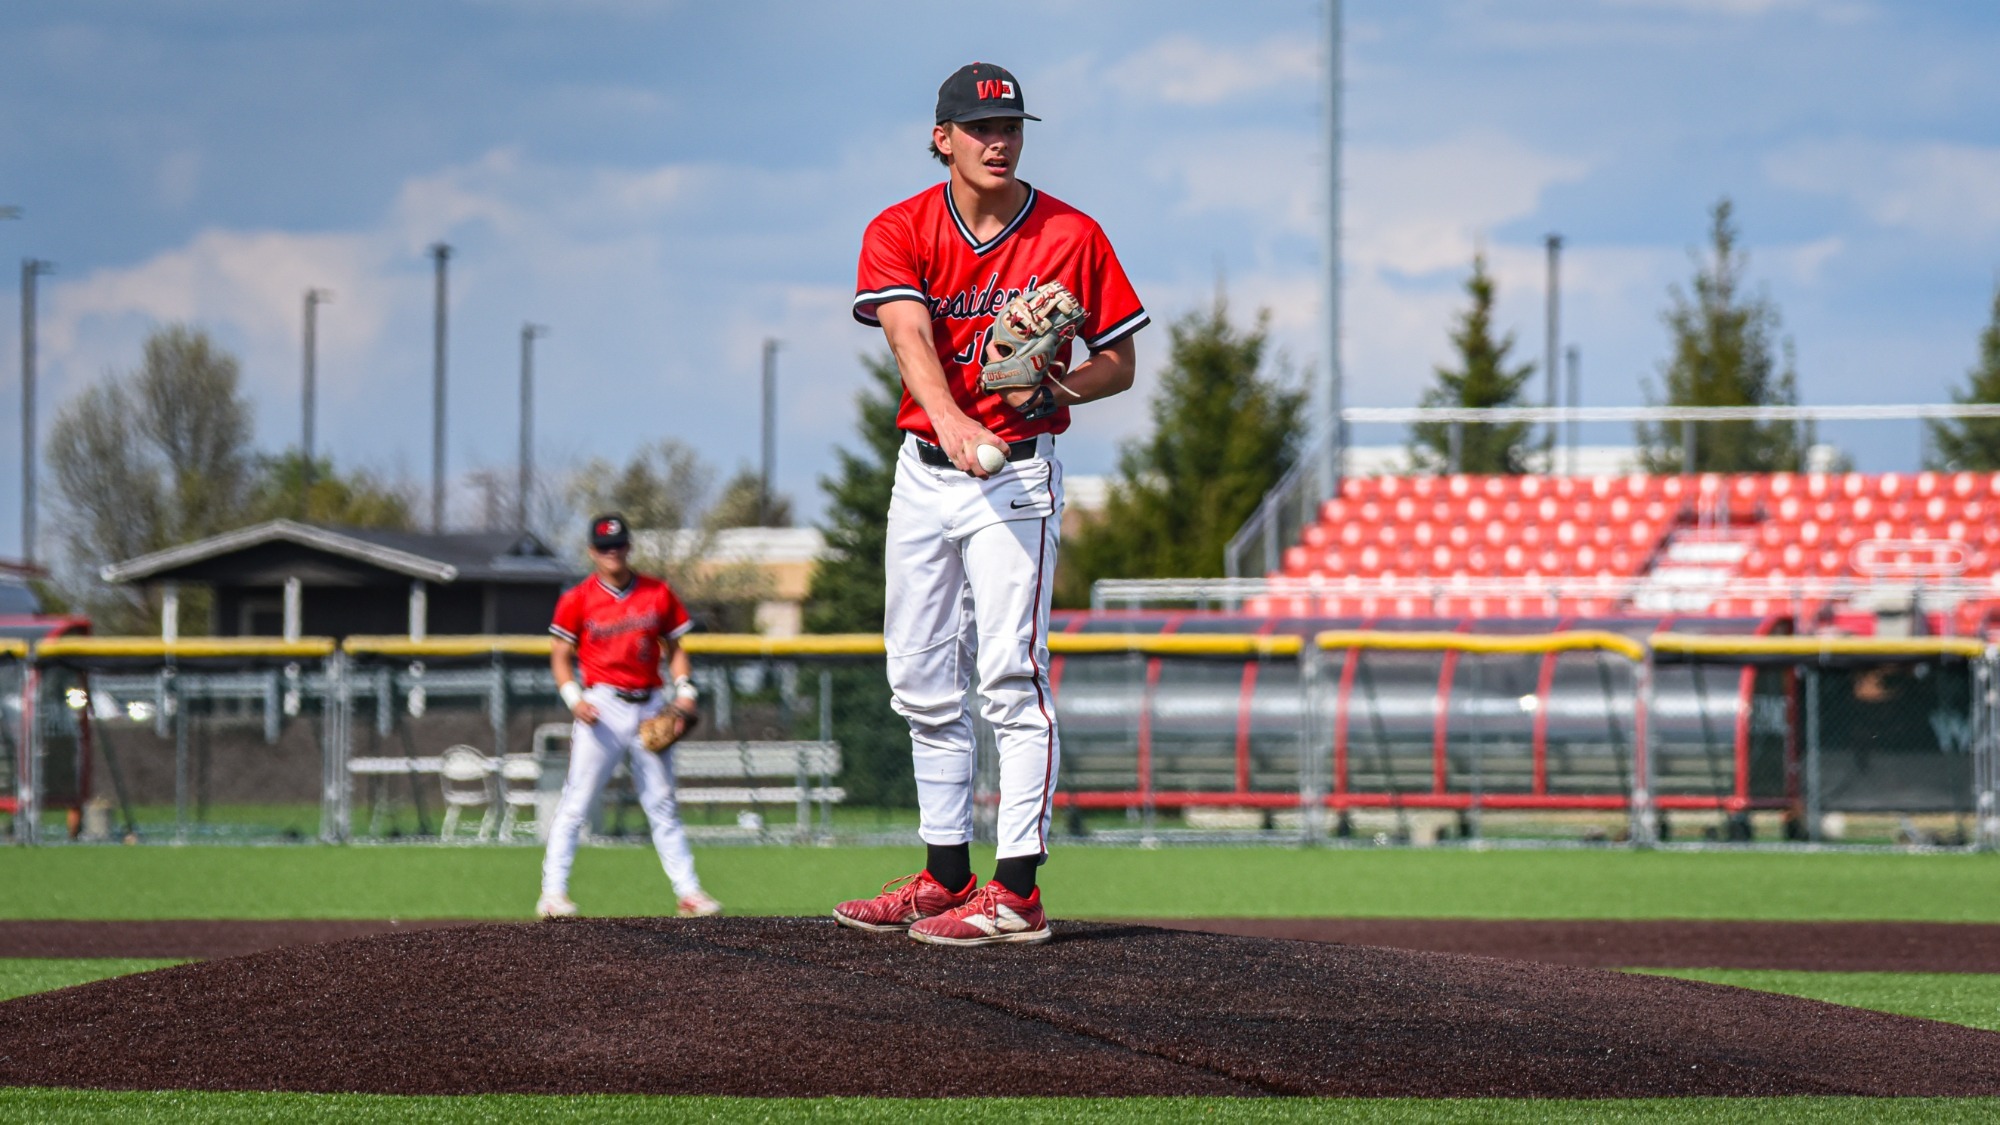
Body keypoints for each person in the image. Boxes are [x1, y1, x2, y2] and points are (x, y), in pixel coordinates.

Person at [834, 62, 1146, 945]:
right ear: (943, 139)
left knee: (1010, 673)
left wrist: (1058, 384)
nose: (997, 140)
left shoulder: (1071, 233)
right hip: (926, 471)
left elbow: (1120, 361)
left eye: (1009, 126)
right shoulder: (899, 228)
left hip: (1015, 475)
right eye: (979, 127)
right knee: (920, 678)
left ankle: (1016, 892)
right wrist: (953, 421)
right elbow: (907, 335)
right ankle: (944, 876)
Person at [536, 513, 722, 921]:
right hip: (601, 707)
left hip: (650, 703)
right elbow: (560, 656)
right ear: (592, 551)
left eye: (618, 545)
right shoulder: (578, 598)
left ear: (629, 546)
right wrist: (573, 698)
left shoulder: (657, 592)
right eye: (605, 547)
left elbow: (676, 648)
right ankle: (552, 893)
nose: (613, 553)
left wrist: (685, 691)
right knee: (577, 801)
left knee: (662, 802)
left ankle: (689, 892)